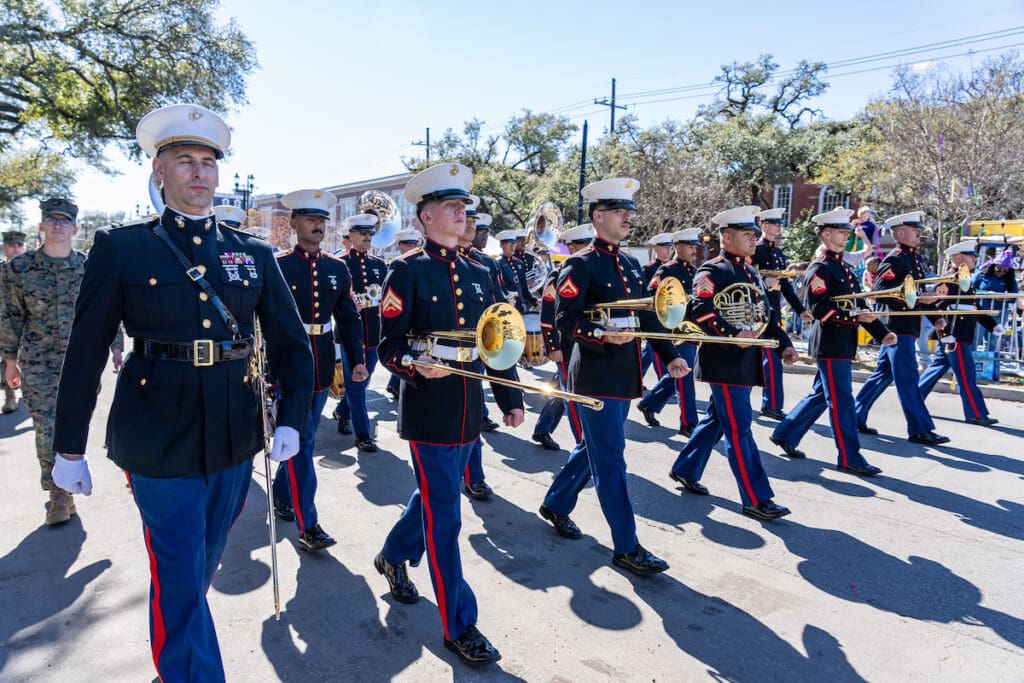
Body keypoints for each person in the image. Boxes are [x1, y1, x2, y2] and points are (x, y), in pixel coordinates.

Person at [50, 103, 313, 681]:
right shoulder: (122, 248)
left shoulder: (253, 253)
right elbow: (87, 351)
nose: (199, 173)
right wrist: (68, 447)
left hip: (233, 431)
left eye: (207, 163)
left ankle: (175, 648)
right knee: (177, 569)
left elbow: (294, 347)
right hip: (154, 432)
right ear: (159, 171)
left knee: (197, 567)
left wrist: (292, 419)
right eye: (184, 161)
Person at [373, 162, 524, 666]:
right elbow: (388, 344)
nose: (463, 213)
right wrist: (412, 364)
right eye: (452, 206)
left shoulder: (483, 270)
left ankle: (393, 555)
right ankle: (460, 623)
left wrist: (511, 398)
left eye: (464, 206)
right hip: (429, 407)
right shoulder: (408, 270)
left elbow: (499, 342)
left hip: (467, 407)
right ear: (425, 217)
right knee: (446, 517)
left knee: (437, 497)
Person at [540, 177, 689, 574]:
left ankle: (555, 503)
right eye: (620, 213)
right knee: (611, 460)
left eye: (629, 212)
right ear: (598, 216)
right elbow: (565, 321)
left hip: (624, 373)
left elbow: (645, 316)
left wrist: (669, 355)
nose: (628, 219)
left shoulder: (630, 263)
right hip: (593, 371)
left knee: (596, 448)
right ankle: (627, 547)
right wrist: (600, 333)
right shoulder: (580, 263)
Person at [0, 199, 124, 526]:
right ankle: (58, 493)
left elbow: (107, 311)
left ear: (74, 228)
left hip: (81, 363)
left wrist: (116, 347)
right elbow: (10, 317)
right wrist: (9, 362)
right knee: (46, 426)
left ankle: (66, 478)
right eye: (51, 220)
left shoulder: (88, 266)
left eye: (64, 221)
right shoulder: (18, 269)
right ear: (41, 225)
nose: (58, 225)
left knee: (73, 422)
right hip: (38, 361)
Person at [669, 205, 796, 520]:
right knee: (740, 427)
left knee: (717, 420)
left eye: (754, 234)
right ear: (726, 237)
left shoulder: (750, 272)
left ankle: (685, 467)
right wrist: (731, 332)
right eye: (747, 234)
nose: (754, 239)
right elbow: (700, 310)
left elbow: (763, 315)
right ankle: (756, 497)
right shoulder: (712, 270)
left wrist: (784, 345)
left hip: (745, 359)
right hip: (723, 360)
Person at [272, 190, 367, 551]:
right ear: (293, 223)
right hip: (288, 365)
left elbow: (348, 317)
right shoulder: (278, 265)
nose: (317, 226)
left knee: (302, 438)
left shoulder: (336, 268)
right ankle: (307, 523)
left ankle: (284, 495)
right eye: (310, 220)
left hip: (323, 361)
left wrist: (356, 359)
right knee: (304, 440)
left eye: (322, 221)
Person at [769, 208, 895, 476]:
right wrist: (854, 314)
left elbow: (859, 305)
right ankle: (849, 457)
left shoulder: (844, 268)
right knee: (842, 400)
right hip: (830, 341)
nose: (846, 235)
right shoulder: (820, 268)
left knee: (820, 395)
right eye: (841, 231)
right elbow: (819, 309)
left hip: (842, 340)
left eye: (846, 231)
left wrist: (881, 332)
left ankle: (787, 432)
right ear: (826, 235)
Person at [853, 211, 949, 445]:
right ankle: (919, 429)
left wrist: (935, 315)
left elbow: (916, 293)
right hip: (898, 326)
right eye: (915, 230)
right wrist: (915, 300)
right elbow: (882, 292)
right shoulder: (895, 259)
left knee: (883, 375)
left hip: (906, 326)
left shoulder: (915, 259)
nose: (919, 234)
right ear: (900, 233)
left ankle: (854, 415)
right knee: (907, 379)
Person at [918, 240, 1001, 426]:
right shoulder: (949, 280)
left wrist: (991, 324)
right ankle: (975, 413)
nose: (975, 260)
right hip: (954, 337)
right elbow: (933, 307)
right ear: (959, 258)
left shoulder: (964, 280)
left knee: (936, 369)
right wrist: (945, 332)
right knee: (966, 375)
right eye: (972, 256)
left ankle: (912, 400)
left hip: (961, 335)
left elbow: (973, 307)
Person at [532, 223, 595, 451]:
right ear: (573, 247)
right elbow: (547, 315)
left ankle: (543, 428)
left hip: (587, 344)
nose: (591, 249)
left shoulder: (593, 272)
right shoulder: (558, 275)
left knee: (562, 391)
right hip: (567, 347)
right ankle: (584, 447)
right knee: (574, 398)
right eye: (585, 245)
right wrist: (552, 346)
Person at [635, 227, 702, 436]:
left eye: (695, 247)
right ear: (678, 247)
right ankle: (688, 422)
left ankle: (650, 403)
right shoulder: (666, 271)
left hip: (690, 331)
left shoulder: (694, 271)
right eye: (690, 247)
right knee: (685, 376)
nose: (694, 251)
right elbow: (653, 301)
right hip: (674, 332)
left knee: (680, 372)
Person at [752, 207, 811, 420]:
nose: (779, 227)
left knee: (769, 359)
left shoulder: (778, 253)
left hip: (773, 310)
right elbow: (747, 277)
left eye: (780, 224)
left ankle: (772, 404)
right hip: (758, 312)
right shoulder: (756, 249)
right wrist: (762, 281)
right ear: (764, 226)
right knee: (768, 358)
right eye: (775, 223)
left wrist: (801, 310)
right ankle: (770, 404)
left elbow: (785, 285)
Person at [338, 212, 387, 452]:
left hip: (374, 332)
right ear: (351, 235)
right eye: (363, 233)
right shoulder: (339, 263)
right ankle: (363, 434)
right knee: (357, 384)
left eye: (370, 233)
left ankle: (341, 411)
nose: (368, 237)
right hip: (350, 334)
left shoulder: (379, 264)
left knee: (362, 381)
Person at [384, 228, 423, 401]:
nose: (412, 247)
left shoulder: (422, 264)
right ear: (399, 246)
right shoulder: (398, 265)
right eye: (408, 244)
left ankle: (394, 383)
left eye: (415, 244)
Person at [638, 232, 675, 383]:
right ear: (656, 248)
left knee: (648, 352)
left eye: (670, 247)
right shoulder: (647, 269)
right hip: (654, 316)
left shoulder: (673, 267)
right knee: (656, 349)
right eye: (665, 247)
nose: (669, 251)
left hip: (670, 315)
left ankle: (635, 377)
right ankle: (663, 381)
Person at [0, 229, 28, 414]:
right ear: (3, 247)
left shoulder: (32, 270)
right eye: (12, 245)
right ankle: (10, 396)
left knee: (28, 360)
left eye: (19, 245)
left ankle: (32, 392)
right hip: (3, 322)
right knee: (7, 358)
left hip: (28, 325)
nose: (16, 249)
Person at [496, 229, 536, 314]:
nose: (512, 246)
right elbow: (499, 288)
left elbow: (524, 288)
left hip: (520, 306)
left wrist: (534, 301)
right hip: (506, 307)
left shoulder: (519, 263)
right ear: (501, 245)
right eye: (509, 244)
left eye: (514, 243)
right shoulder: (497, 263)